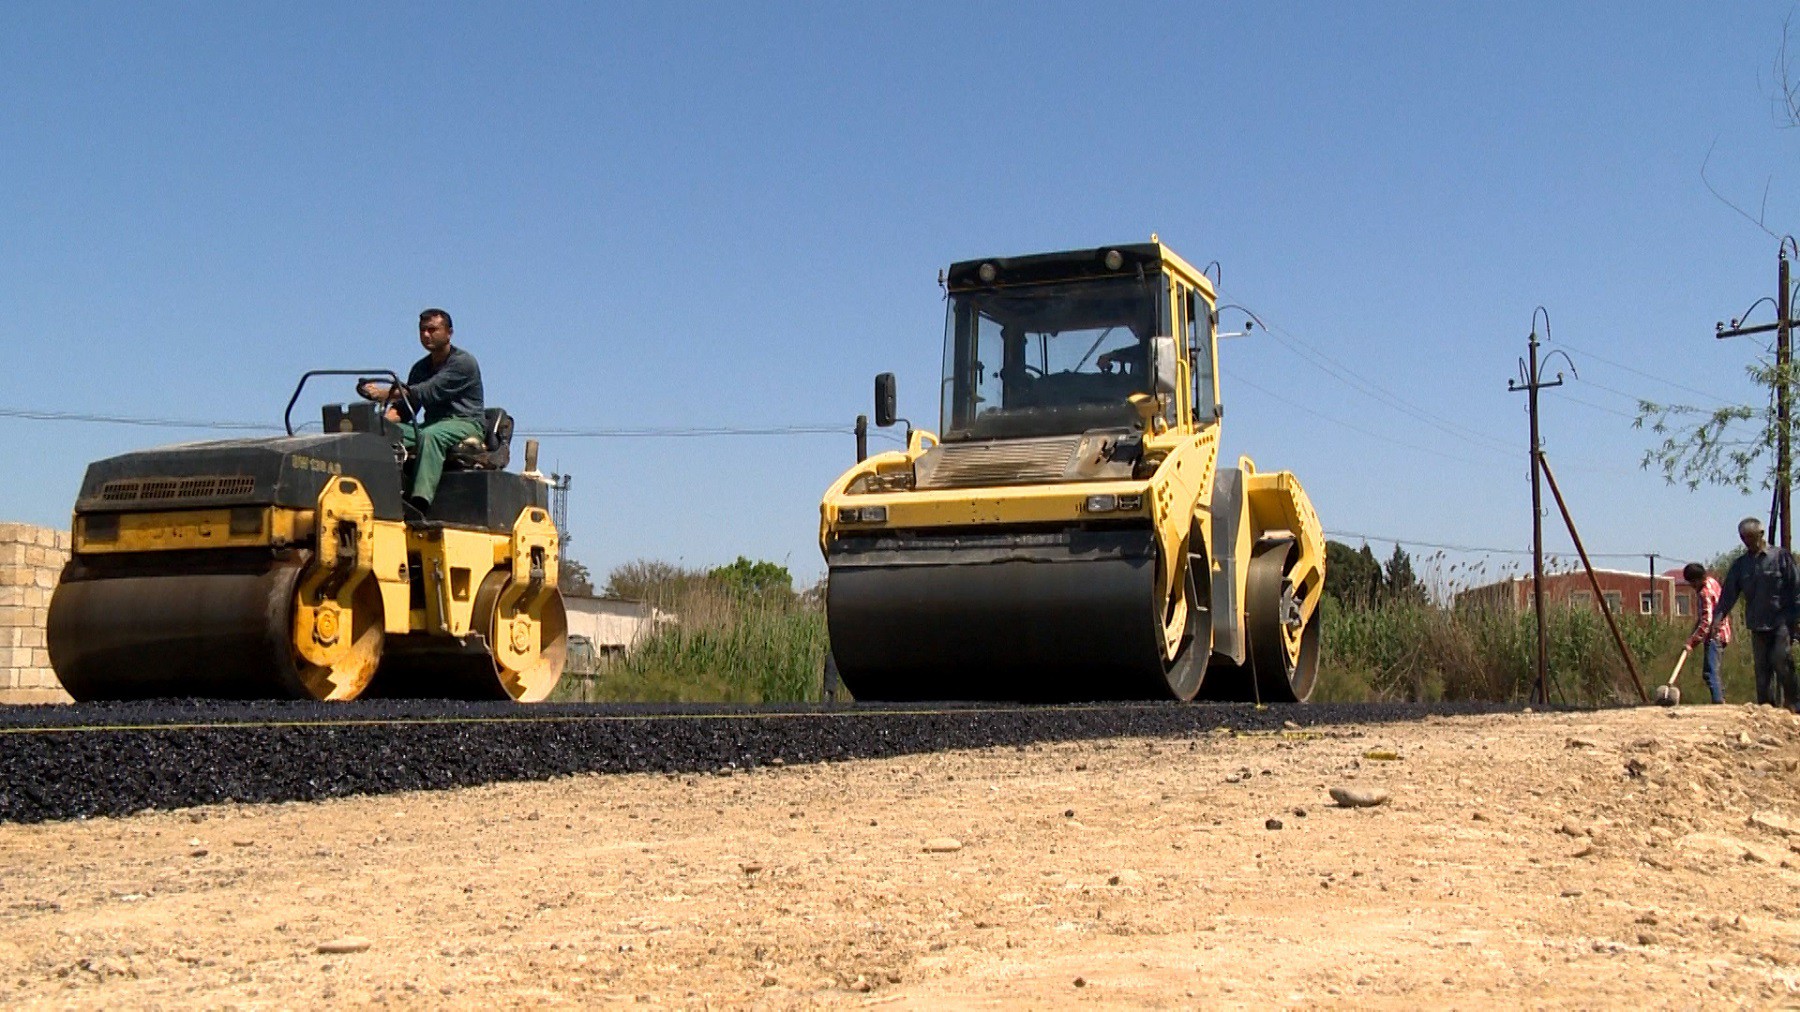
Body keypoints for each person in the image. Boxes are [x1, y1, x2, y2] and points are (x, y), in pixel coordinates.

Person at [357, 308, 485, 515]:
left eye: (432, 329)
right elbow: (406, 409)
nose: (426, 335)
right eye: (422, 330)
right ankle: (376, 496)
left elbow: (426, 391)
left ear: (449, 333)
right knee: (382, 433)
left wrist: (383, 394)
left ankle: (419, 504)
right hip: (432, 424)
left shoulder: (463, 363)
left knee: (429, 436)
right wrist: (380, 424)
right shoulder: (420, 368)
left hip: (465, 423)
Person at [1710, 517, 1800, 710]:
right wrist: (1717, 619)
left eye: (1750, 537)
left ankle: (1795, 702)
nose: (1747, 542)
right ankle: (1766, 708)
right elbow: (1728, 595)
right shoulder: (1741, 565)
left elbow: (1796, 588)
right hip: (1757, 622)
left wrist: (1797, 618)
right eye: (1743, 538)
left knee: (1781, 659)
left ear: (1760, 535)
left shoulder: (1780, 557)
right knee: (1762, 669)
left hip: (1781, 620)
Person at [1683, 561, 1730, 704]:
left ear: (1697, 580)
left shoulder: (1705, 593)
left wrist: (1693, 642)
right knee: (1712, 670)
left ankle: (1718, 702)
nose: (1692, 586)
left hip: (1715, 635)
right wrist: (1691, 636)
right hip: (1722, 633)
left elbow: (1706, 622)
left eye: (1692, 583)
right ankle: (1720, 699)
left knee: (1710, 672)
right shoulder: (1712, 582)